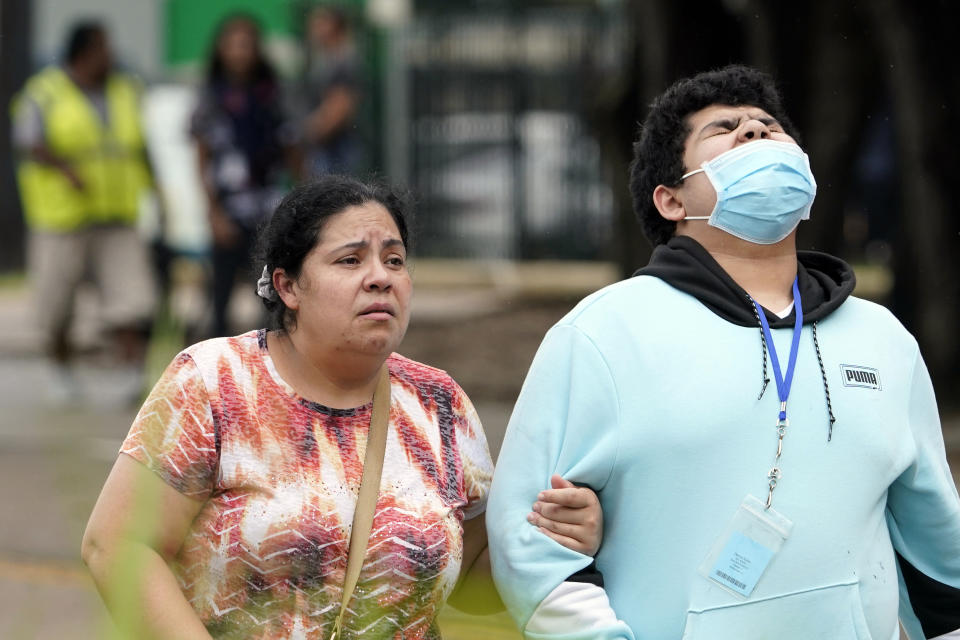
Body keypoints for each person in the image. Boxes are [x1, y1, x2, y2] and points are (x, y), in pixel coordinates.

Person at [487, 65, 960, 639]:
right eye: (726, 128)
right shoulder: (603, 334)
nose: (756, 133)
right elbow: (528, 541)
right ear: (670, 200)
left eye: (768, 126)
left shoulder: (884, 339)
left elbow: (936, 555)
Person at [81, 175, 603, 639]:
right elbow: (117, 547)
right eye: (350, 260)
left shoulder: (439, 403)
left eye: (394, 260)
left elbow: (467, 582)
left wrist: (560, 536)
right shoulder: (215, 382)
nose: (380, 277)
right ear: (287, 285)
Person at [11, 21, 157, 402]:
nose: (111, 55)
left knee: (131, 297)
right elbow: (27, 142)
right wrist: (64, 170)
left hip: (117, 212)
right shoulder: (44, 92)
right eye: (103, 48)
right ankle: (59, 368)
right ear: (84, 53)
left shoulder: (127, 89)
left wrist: (157, 193)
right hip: (63, 216)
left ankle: (131, 373)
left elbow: (142, 145)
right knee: (57, 302)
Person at [192, 14, 300, 338]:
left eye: (246, 44)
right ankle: (218, 373)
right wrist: (213, 212)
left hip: (269, 210)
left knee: (270, 295)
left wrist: (301, 204)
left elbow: (293, 149)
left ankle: (267, 369)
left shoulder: (273, 94)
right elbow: (201, 158)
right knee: (219, 296)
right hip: (228, 210)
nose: (240, 52)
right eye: (233, 45)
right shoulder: (211, 96)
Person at [302, 6, 363, 175]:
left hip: (334, 147)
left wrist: (311, 132)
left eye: (321, 23)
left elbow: (341, 104)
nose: (314, 28)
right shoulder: (323, 58)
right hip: (326, 146)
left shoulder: (343, 60)